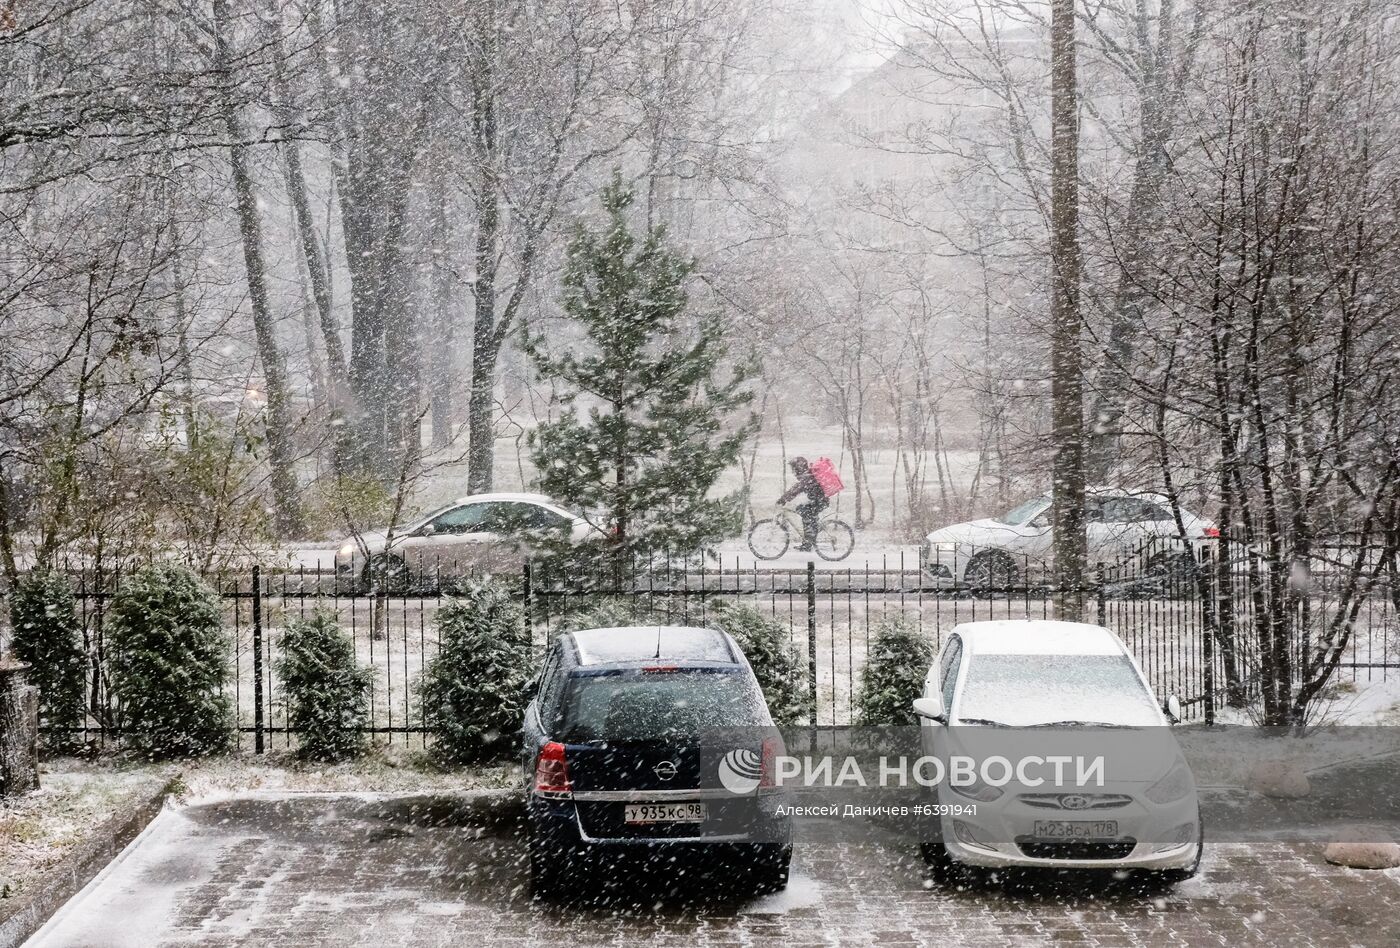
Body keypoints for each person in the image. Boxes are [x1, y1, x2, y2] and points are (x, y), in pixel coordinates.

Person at [777, 457, 828, 552]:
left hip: (819, 501)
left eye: (794, 468)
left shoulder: (807, 476)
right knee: (802, 510)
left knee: (806, 513)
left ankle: (810, 540)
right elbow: (796, 488)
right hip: (818, 500)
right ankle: (808, 541)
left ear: (799, 467)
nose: (793, 470)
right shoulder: (806, 475)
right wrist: (785, 497)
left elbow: (796, 489)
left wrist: (784, 498)